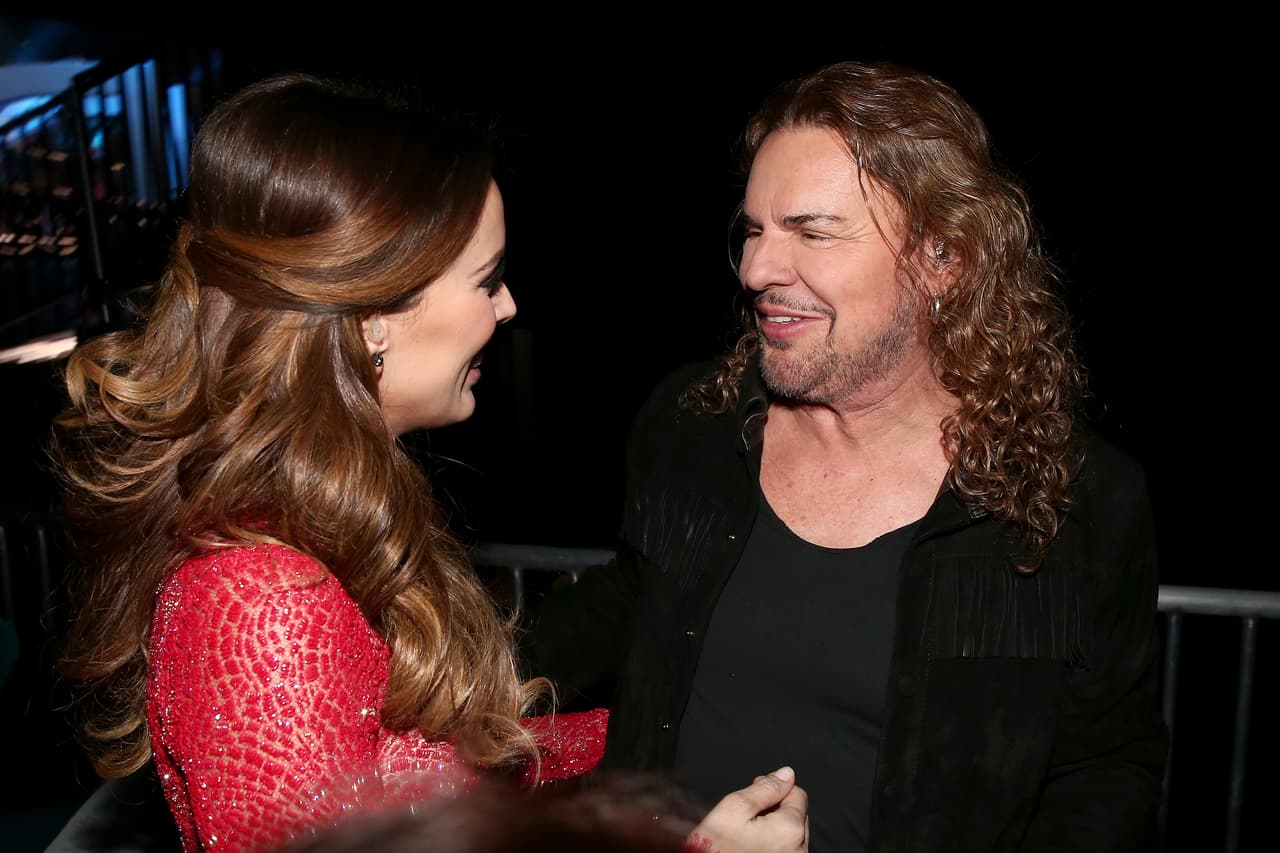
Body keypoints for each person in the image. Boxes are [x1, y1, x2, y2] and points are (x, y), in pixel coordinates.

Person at [52, 73, 807, 853]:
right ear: (375, 313)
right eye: (486, 280)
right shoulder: (262, 604)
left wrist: (671, 725)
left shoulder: (322, 528)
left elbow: (450, 776)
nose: (508, 307)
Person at [522, 60, 1168, 851]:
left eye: (812, 231)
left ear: (943, 256)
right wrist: (419, 675)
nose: (758, 269)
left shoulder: (1077, 496)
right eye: (754, 230)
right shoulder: (695, 426)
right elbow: (624, 606)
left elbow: (1104, 769)